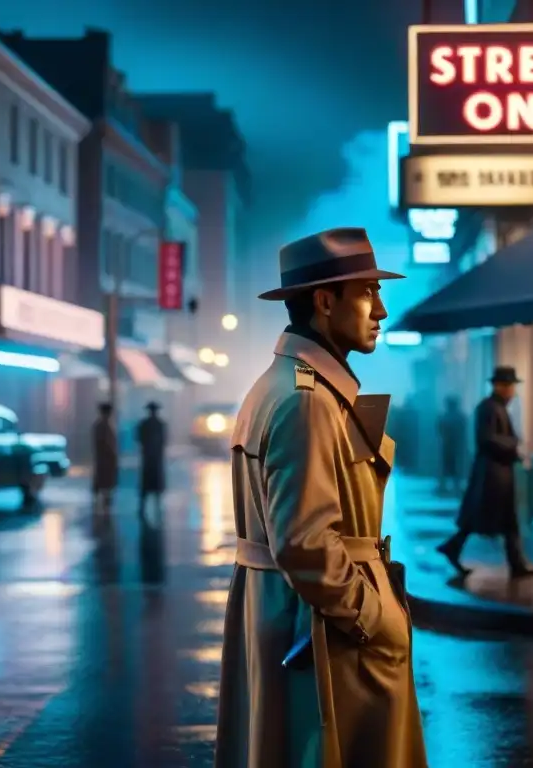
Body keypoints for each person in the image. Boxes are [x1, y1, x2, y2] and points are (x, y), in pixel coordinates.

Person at [215, 228, 427, 768]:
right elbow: (306, 544)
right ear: (325, 301)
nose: (380, 309)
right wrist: (372, 619)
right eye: (366, 293)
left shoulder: (286, 385)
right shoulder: (305, 401)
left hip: (300, 617)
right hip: (325, 630)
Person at [435, 367, 533, 580]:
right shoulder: (489, 408)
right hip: (493, 475)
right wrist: (514, 446)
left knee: (499, 520)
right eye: (510, 386)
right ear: (500, 386)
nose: (513, 391)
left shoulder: (494, 407)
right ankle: (455, 548)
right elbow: (487, 439)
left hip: (495, 472)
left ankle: (515, 563)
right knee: (488, 518)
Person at [136, 401, 167, 520]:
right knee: (156, 482)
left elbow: (139, 439)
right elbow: (164, 440)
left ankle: (142, 507)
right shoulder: (160, 424)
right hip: (156, 457)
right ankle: (157, 507)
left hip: (147, 457)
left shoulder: (144, 424)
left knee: (146, 483)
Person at [91, 402, 118, 512]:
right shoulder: (104, 426)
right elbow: (107, 444)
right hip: (105, 458)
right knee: (104, 480)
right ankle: (103, 502)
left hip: (102, 458)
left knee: (102, 479)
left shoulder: (100, 425)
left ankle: (101, 501)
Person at [436, 395, 466, 495]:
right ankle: (454, 487)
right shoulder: (460, 417)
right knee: (455, 467)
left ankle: (443, 486)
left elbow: (439, 430)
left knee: (446, 466)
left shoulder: (444, 417)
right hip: (455, 446)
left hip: (447, 445)